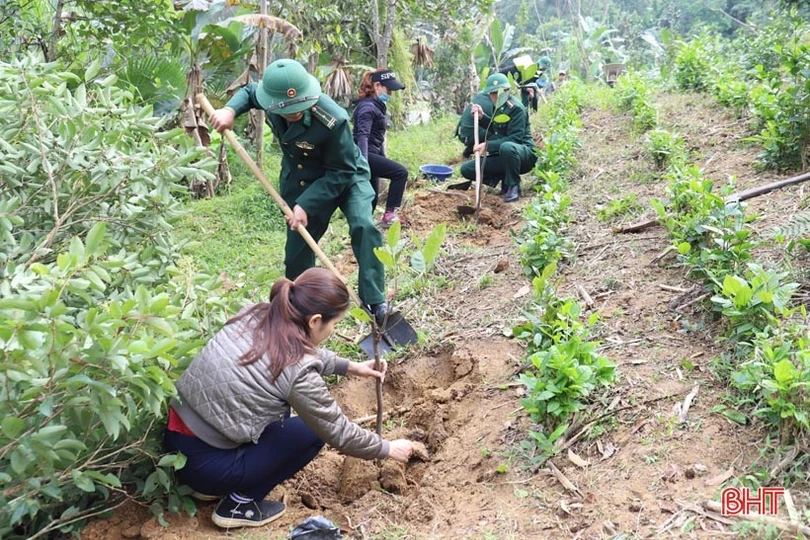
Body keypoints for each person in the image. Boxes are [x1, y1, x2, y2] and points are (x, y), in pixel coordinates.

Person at [164, 268, 416, 529]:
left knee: (280, 411)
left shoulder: (258, 313)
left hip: (176, 446)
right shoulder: (297, 370)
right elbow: (338, 432)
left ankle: (205, 487)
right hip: (207, 466)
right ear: (315, 321)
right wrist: (387, 448)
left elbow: (298, 348)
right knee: (311, 433)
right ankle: (240, 503)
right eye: (335, 324)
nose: (332, 330)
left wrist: (350, 366)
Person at [209, 59, 390, 321]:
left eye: (300, 107)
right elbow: (249, 92)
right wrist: (229, 110)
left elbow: (341, 171)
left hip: (347, 175)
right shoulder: (270, 98)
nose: (295, 112)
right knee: (297, 248)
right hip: (303, 178)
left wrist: (306, 204)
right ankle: (299, 311)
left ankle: (376, 302)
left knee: (364, 226)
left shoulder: (333, 119)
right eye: (288, 110)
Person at [459, 73, 537, 203]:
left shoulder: (516, 108)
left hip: (523, 154)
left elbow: (514, 139)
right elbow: (497, 129)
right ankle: (504, 177)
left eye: (499, 92)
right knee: (467, 169)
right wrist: (482, 117)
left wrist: (487, 145)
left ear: (507, 90)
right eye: (492, 93)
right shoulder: (498, 106)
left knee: (507, 147)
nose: (496, 96)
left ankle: (513, 185)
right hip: (505, 154)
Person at [352, 69, 408, 228]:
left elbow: (378, 139)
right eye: (388, 89)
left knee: (372, 199)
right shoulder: (367, 108)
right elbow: (362, 136)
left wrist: (381, 157)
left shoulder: (376, 106)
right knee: (400, 172)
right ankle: (389, 215)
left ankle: (363, 228)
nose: (390, 93)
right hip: (366, 155)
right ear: (377, 86)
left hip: (373, 154)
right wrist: (363, 163)